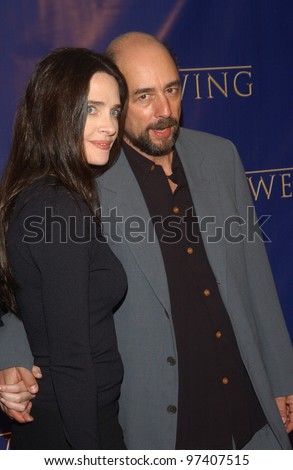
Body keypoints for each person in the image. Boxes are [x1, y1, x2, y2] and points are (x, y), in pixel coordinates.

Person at [1, 32, 293, 450]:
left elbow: (255, 275)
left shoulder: (221, 156)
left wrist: (282, 374)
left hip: (247, 416)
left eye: (172, 89)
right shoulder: (84, 177)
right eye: (143, 97)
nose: (164, 110)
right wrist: (9, 357)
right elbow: (26, 278)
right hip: (159, 422)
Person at [0, 47, 128, 449]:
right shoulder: (57, 205)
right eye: (92, 109)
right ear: (55, 111)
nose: (109, 126)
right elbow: (73, 357)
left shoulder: (39, 193)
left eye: (114, 111)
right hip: (73, 429)